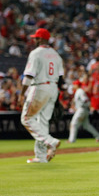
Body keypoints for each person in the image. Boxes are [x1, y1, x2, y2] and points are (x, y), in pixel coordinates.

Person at [18, 28, 65, 163]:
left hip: (40, 87)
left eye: (37, 38)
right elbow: (61, 78)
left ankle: (51, 141)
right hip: (53, 88)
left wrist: (22, 93)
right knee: (42, 122)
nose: (35, 40)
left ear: (43, 39)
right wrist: (56, 96)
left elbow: (28, 76)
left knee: (26, 118)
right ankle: (41, 156)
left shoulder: (36, 53)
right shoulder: (56, 55)